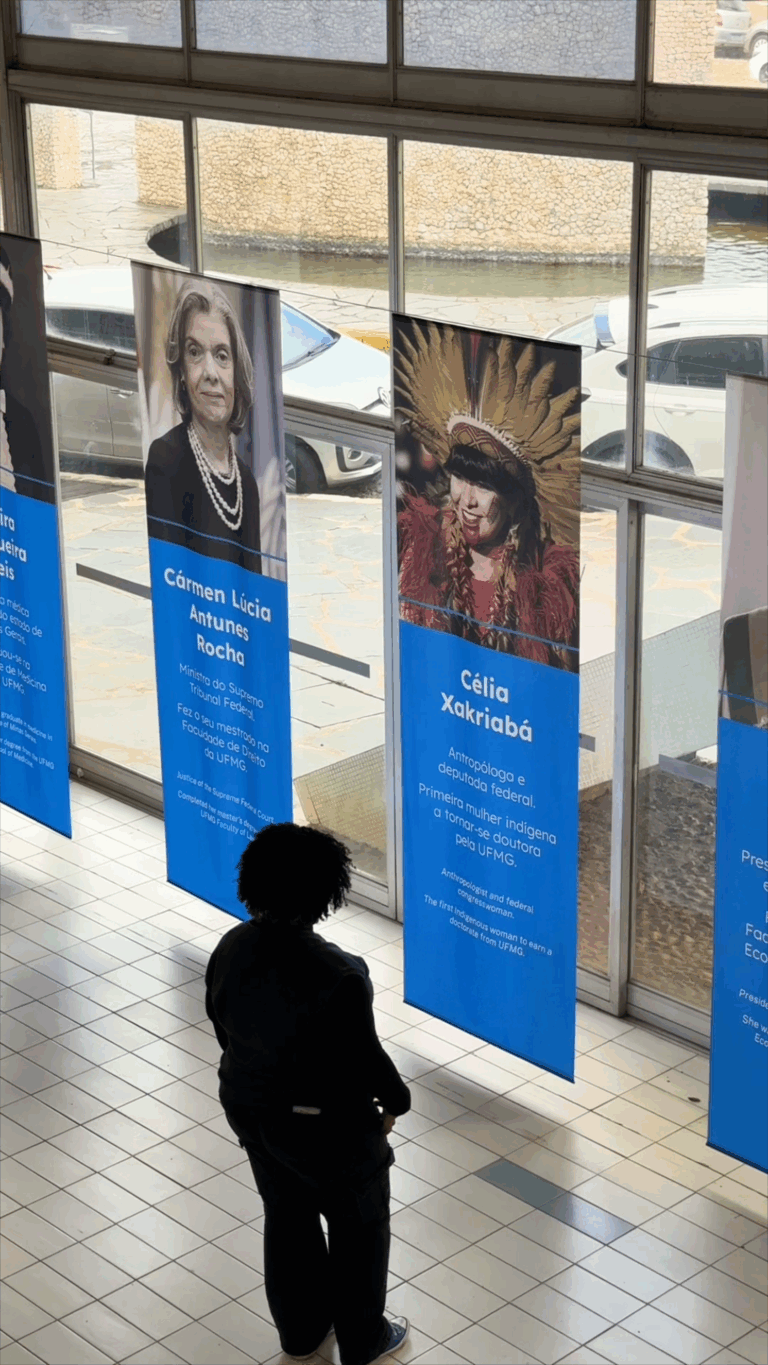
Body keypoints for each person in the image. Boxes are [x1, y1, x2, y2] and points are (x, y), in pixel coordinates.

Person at [204, 823, 410, 1365]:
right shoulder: (341, 974)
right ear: (327, 892)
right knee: (359, 1230)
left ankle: (300, 1334)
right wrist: (397, 1102)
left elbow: (222, 1027)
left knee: (287, 1216)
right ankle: (363, 1341)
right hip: (329, 1128)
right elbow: (366, 1059)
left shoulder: (231, 946)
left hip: (250, 1109)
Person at [397, 324, 580, 669]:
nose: (467, 500)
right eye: (460, 478)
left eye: (484, 486)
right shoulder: (422, 551)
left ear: (514, 500)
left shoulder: (548, 586)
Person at [145, 278, 261, 570]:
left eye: (221, 356)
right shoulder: (166, 460)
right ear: (182, 371)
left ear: (236, 372)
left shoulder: (246, 481)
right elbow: (169, 574)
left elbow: (254, 581)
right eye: (195, 352)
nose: (210, 372)